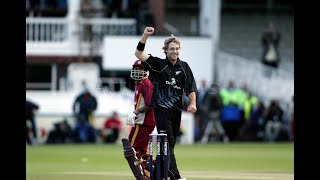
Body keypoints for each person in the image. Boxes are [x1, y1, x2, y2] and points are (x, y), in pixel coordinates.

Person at [134, 27, 197, 180]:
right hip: (161, 111)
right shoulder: (158, 64)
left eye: (176, 48)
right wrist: (145, 35)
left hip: (177, 111)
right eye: (171, 49)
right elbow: (139, 54)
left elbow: (190, 88)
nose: (175, 51)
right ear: (166, 50)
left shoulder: (184, 67)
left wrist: (193, 103)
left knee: (170, 145)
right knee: (167, 144)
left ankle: (157, 172)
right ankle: (175, 176)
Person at [122, 60, 156, 179]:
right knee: (141, 151)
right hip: (143, 122)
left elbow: (150, 104)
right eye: (135, 68)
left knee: (131, 148)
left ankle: (142, 174)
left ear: (145, 71)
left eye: (140, 69)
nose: (137, 71)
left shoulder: (146, 84)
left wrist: (135, 113)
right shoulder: (139, 83)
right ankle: (155, 169)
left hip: (143, 123)